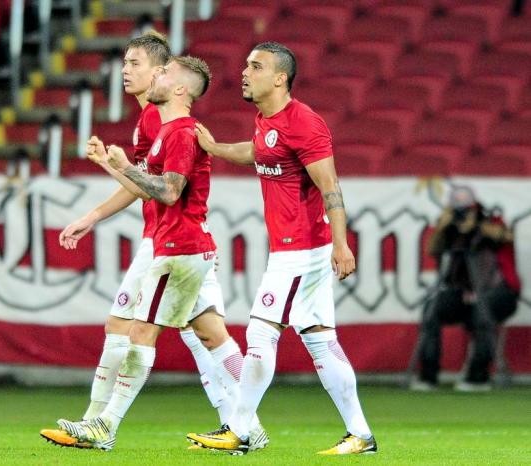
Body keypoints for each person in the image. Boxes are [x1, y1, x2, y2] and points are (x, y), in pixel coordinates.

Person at [40, 33, 266, 451]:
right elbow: (147, 184)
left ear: (168, 79)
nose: (127, 71)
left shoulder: (173, 128)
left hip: (177, 244)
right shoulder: (159, 124)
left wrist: (121, 168)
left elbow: (166, 190)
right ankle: (246, 425)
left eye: (138, 64)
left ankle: (101, 424)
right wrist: (110, 171)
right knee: (209, 334)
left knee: (138, 330)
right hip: (176, 242)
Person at [186, 42, 376, 455]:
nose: (244, 72)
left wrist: (341, 244)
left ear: (280, 78)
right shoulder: (265, 120)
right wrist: (216, 149)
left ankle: (239, 430)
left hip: (302, 249)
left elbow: (331, 186)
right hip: (295, 250)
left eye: (255, 66)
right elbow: (258, 151)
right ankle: (360, 434)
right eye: (246, 64)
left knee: (260, 332)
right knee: (321, 340)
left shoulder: (304, 122)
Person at [411, 186, 520, 392]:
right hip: (462, 293)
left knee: (482, 311)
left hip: (498, 292)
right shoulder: (451, 230)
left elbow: (506, 236)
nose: (462, 215)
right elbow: (432, 249)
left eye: (466, 210)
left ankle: (478, 376)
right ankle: (428, 375)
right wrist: (443, 227)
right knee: (431, 310)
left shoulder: (490, 221)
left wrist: (477, 225)